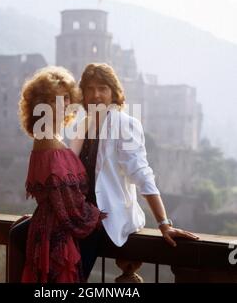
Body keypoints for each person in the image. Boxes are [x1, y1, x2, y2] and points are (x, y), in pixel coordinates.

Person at [70, 63, 199, 282]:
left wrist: (164, 224)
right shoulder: (83, 125)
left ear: (113, 92)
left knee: (72, 275)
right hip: (78, 215)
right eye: (90, 89)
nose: (96, 95)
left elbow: (142, 174)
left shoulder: (125, 125)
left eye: (102, 88)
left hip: (103, 218)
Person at [17, 66, 105, 283]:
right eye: (56, 100)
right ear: (42, 105)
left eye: (66, 98)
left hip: (46, 228)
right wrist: (97, 217)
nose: (64, 104)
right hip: (58, 237)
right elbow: (68, 206)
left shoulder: (48, 136)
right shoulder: (48, 140)